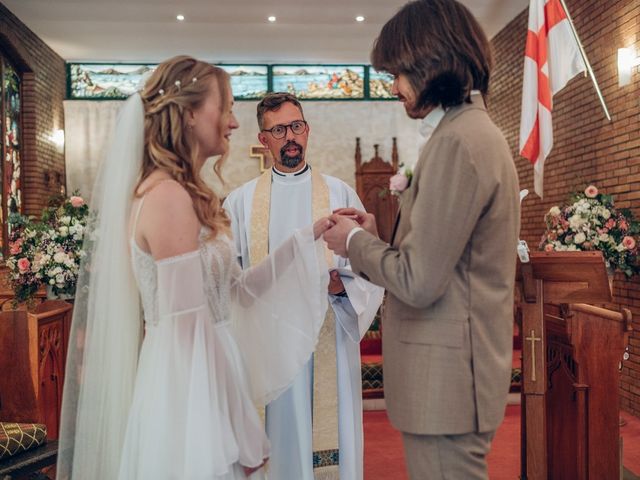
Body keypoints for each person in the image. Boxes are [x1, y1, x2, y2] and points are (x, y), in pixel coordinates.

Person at [56, 56, 332, 480]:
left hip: (209, 369)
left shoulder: (184, 191)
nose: (233, 122)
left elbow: (238, 291)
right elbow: (188, 329)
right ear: (188, 115)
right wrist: (241, 422)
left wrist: (304, 238)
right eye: (225, 108)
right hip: (190, 388)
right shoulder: (167, 197)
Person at [323, 1, 521, 478]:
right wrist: (373, 237)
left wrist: (351, 242)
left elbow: (418, 280)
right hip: (450, 375)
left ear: (429, 62)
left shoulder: (459, 141)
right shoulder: (464, 133)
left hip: (448, 379)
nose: (394, 87)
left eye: (397, 73)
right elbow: (439, 261)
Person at [223, 92, 383, 480]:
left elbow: (367, 268)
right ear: (264, 139)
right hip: (266, 343)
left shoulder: (339, 193)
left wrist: (341, 288)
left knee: (328, 437)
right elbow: (229, 281)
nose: (290, 136)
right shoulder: (240, 203)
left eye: (296, 126)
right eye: (279, 130)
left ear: (307, 130)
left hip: (324, 337)